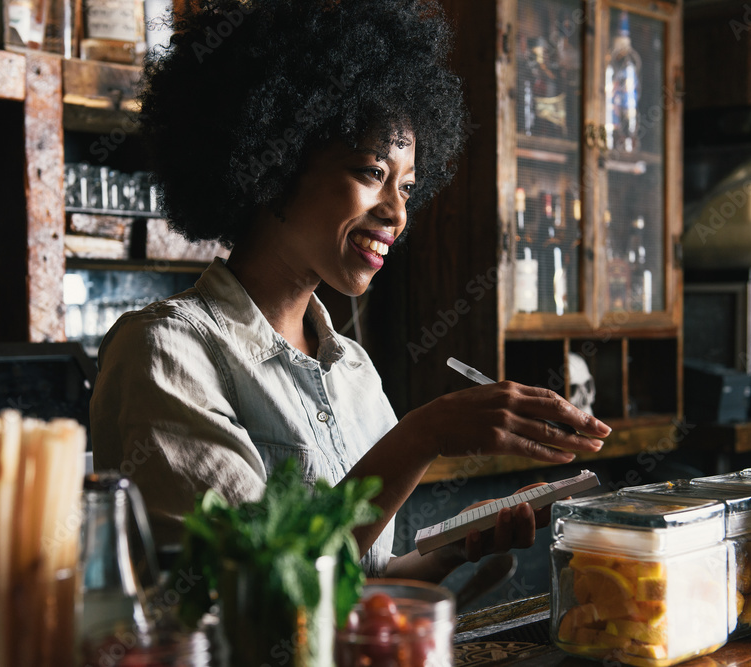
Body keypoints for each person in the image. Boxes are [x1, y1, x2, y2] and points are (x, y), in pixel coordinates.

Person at [90, 0, 611, 584]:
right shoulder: (164, 353)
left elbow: (354, 584)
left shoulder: (353, 370)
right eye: (372, 174)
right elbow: (264, 586)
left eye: (408, 189)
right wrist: (423, 435)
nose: (396, 214)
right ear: (276, 160)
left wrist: (454, 546)